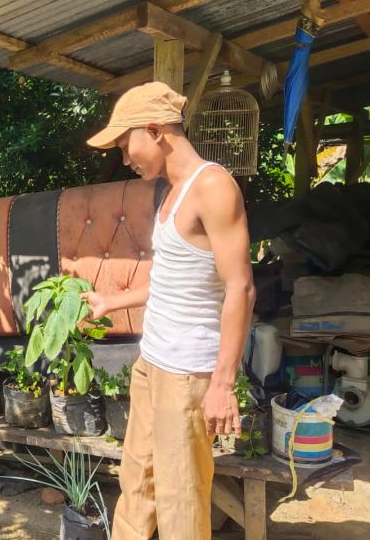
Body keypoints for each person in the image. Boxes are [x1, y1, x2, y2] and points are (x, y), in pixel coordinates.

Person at [81, 82, 255, 540]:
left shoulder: (213, 187)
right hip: (152, 364)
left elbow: (241, 288)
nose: (125, 158)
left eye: (126, 145)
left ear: (156, 130)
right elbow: (172, 278)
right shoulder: (172, 192)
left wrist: (223, 385)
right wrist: (111, 302)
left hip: (187, 375)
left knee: (181, 501)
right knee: (136, 483)